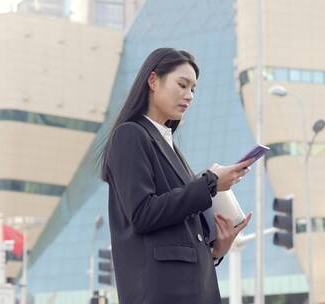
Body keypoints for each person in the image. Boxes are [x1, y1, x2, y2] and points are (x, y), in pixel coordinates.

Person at [100, 48, 253, 304]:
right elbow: (143, 213)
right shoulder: (131, 135)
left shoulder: (171, 146)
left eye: (193, 89)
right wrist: (211, 183)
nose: (189, 95)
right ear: (153, 81)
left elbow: (178, 222)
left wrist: (217, 249)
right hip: (161, 294)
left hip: (193, 290)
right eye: (182, 85)